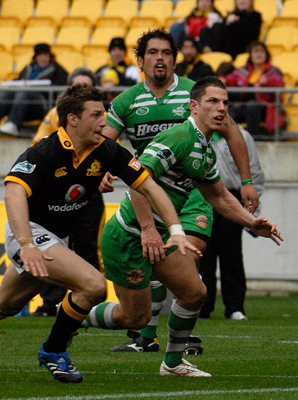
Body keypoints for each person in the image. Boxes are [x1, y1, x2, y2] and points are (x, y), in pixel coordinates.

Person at [0, 84, 194, 383]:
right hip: (30, 234)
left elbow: (149, 186)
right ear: (72, 119)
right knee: (92, 285)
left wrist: (176, 229)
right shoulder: (45, 151)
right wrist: (26, 244)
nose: (104, 121)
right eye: (95, 115)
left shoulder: (106, 150)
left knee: (6, 303)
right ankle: (54, 351)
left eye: (104, 114)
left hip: (56, 239)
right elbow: (13, 194)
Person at [82, 77, 283, 377]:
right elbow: (138, 181)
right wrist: (148, 228)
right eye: (213, 101)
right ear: (193, 106)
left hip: (160, 236)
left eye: (225, 103)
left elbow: (217, 195)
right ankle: (74, 313)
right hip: (130, 236)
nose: (221, 108)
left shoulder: (205, 150)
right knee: (134, 318)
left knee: (194, 293)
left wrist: (252, 221)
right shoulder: (177, 137)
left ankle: (172, 364)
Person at [95, 29, 259, 354]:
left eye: (167, 53)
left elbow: (233, 134)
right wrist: (100, 172)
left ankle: (179, 338)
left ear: (175, 58)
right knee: (159, 267)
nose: (160, 58)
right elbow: (103, 144)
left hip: (193, 194)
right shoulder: (127, 101)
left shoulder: (196, 95)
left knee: (186, 260)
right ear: (140, 61)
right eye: (153, 53)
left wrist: (246, 180)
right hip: (148, 193)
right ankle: (149, 334)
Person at [28, 67, 101, 317]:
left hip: (88, 193)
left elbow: (107, 153)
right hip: (56, 194)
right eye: (77, 86)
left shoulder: (99, 119)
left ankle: (92, 302)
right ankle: (50, 303)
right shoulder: (53, 116)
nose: (81, 91)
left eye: (86, 87)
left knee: (88, 246)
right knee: (54, 245)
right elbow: (37, 147)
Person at [199, 125, 264, 320]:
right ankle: (202, 306)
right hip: (201, 198)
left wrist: (252, 213)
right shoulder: (195, 134)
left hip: (232, 198)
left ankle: (235, 307)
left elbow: (254, 172)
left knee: (232, 254)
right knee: (202, 254)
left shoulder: (242, 136)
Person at [0, 43, 68, 137]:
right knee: (8, 92)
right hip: (22, 104)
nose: (43, 58)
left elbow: (61, 89)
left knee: (25, 91)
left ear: (50, 57)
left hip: (43, 105)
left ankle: (13, 123)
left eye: (45, 55)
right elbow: (18, 81)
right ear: (35, 57)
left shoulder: (58, 70)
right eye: (40, 56)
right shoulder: (28, 69)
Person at [225, 41, 285, 136]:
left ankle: (252, 139)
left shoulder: (273, 71)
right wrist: (224, 81)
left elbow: (280, 84)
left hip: (266, 107)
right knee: (228, 112)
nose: (258, 54)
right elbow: (230, 80)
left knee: (252, 106)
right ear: (251, 55)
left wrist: (268, 82)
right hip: (243, 106)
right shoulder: (242, 70)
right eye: (255, 52)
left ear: (266, 55)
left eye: (261, 51)